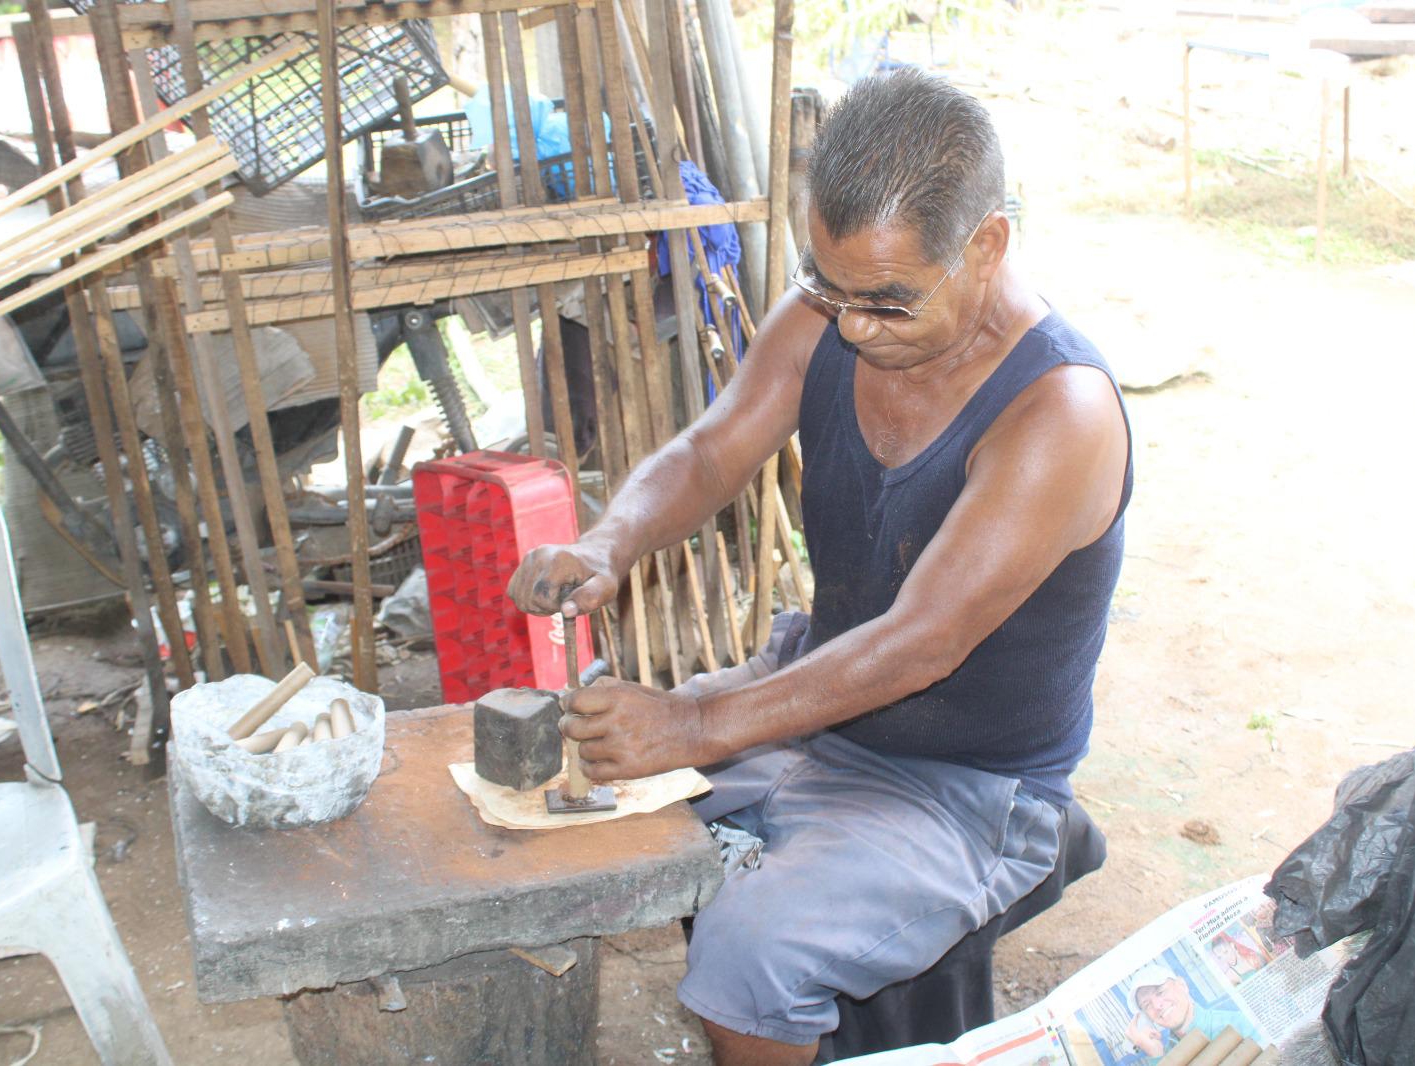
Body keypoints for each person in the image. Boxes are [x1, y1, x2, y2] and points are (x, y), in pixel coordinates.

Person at [507, 68, 1133, 1066]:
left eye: (886, 300)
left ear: (987, 245)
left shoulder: (1059, 412)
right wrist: (606, 542)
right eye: (829, 286)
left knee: (748, 954)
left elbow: (920, 641)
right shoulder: (829, 312)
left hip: (965, 784)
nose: (850, 324)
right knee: (572, 795)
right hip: (813, 688)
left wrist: (695, 726)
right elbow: (710, 453)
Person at [1124, 964, 1262, 1056]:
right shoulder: (1162, 1055)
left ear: (1182, 985)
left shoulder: (1240, 1023)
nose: (1156, 1005)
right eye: (1147, 1005)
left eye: (1160, 992)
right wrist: (1157, 1056)